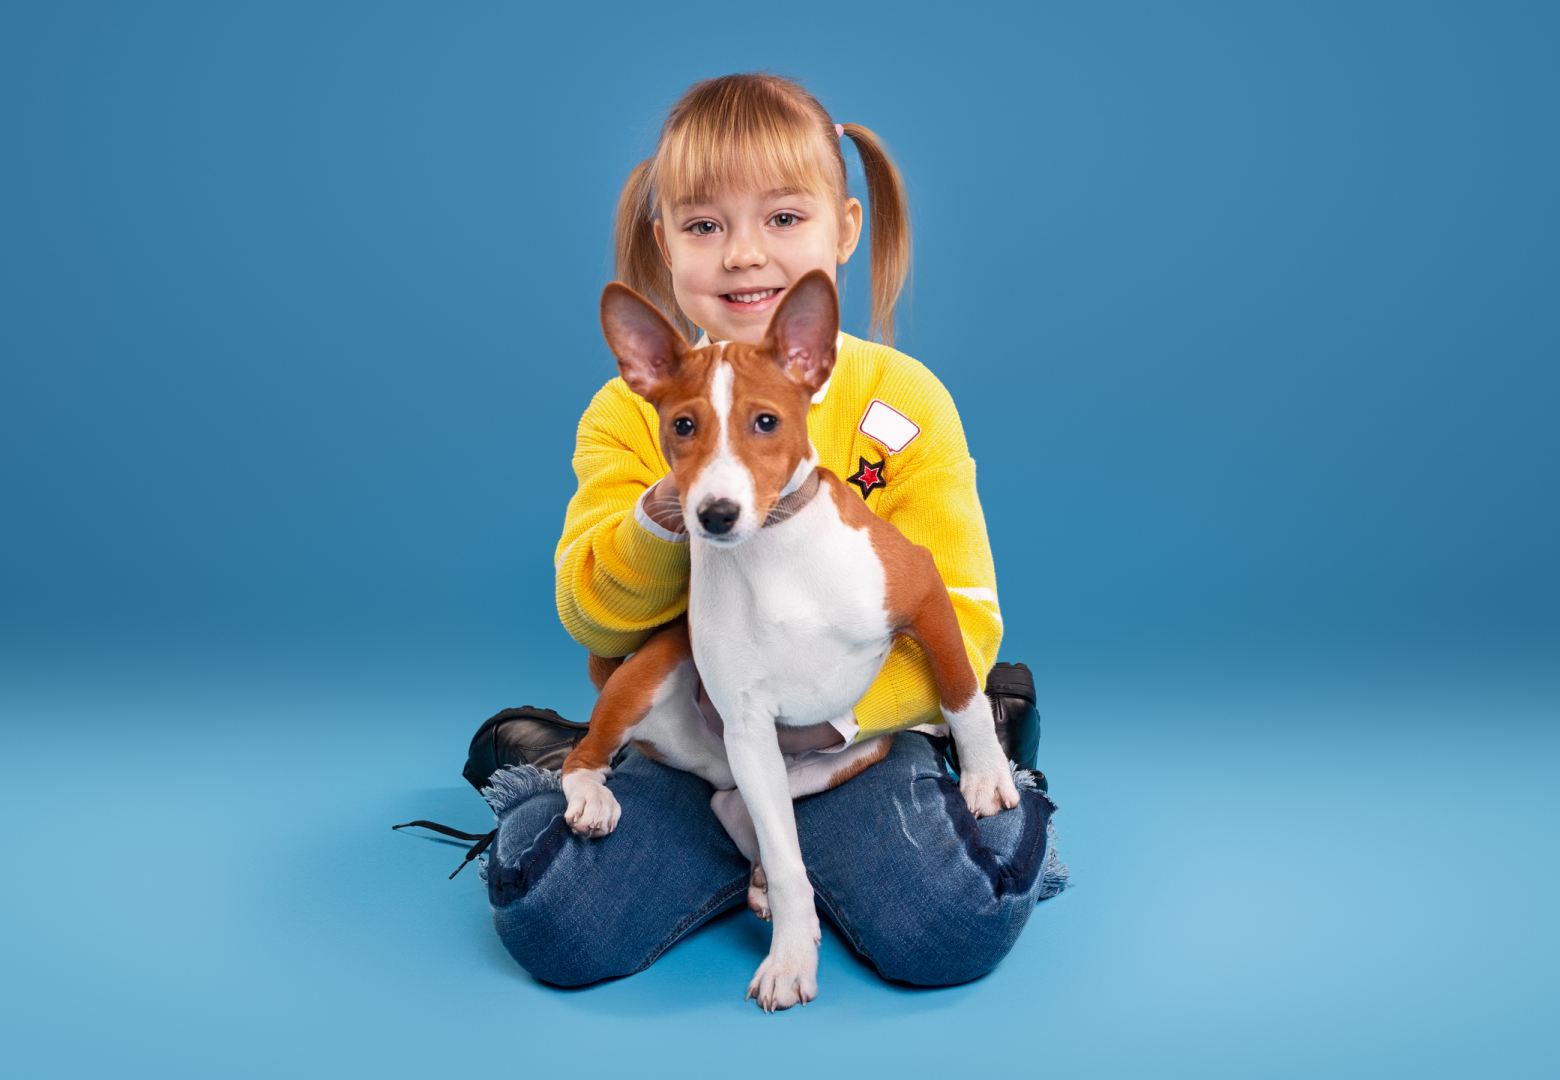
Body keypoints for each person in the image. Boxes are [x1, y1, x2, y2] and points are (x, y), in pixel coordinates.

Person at [481, 72, 1069, 993]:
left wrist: (838, 725)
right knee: (556, 923)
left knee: (953, 924)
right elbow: (592, 617)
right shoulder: (629, 411)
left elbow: (960, 606)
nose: (745, 256)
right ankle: (612, 766)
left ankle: (983, 742)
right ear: (664, 245)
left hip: (861, 738)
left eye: (783, 220)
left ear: (843, 229)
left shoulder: (901, 401)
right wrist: (669, 508)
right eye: (705, 226)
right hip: (709, 739)